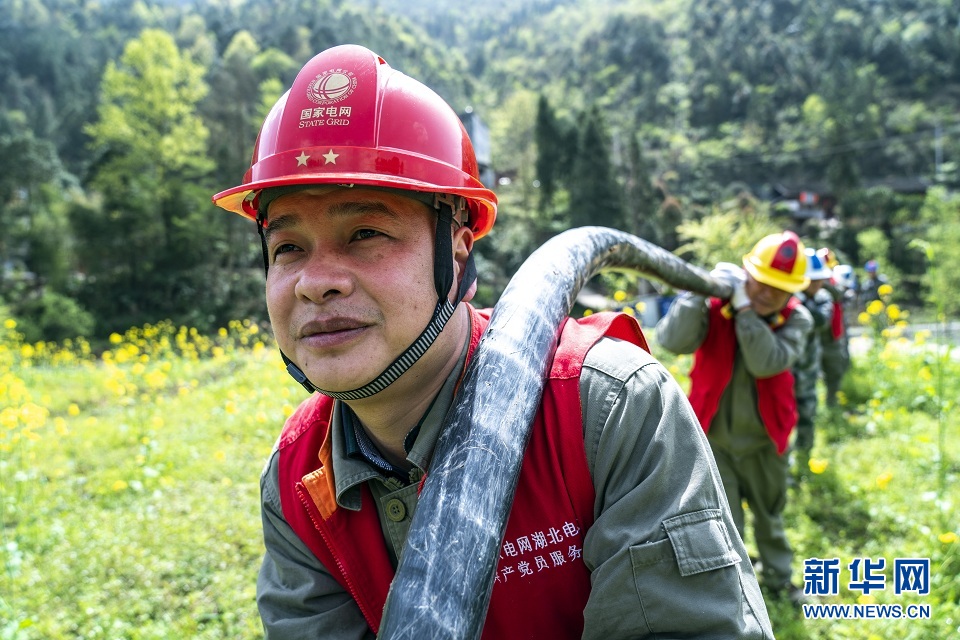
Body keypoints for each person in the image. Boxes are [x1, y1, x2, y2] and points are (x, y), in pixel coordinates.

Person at [212, 44, 773, 639]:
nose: (316, 282)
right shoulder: (300, 477)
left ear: (456, 248)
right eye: (288, 248)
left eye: (366, 232)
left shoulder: (602, 410)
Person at [656, 231, 814, 605]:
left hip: (765, 439)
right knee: (724, 520)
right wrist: (696, 292)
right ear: (747, 272)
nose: (766, 294)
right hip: (713, 438)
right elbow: (673, 341)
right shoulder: (714, 306)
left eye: (779, 288)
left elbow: (766, 362)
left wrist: (744, 312)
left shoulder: (797, 320)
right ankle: (738, 591)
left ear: (792, 292)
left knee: (769, 515)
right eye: (761, 282)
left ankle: (778, 579)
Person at [791, 248, 835, 479]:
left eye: (821, 279)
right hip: (785, 372)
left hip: (807, 372)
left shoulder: (821, 298)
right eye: (814, 279)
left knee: (807, 417)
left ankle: (803, 463)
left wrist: (795, 305)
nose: (819, 284)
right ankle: (786, 469)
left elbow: (821, 320)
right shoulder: (787, 296)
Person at [817, 249, 851, 408]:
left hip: (832, 334)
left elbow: (839, 294)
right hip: (818, 334)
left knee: (834, 371)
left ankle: (832, 406)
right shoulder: (809, 280)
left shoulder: (831, 280)